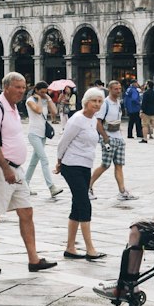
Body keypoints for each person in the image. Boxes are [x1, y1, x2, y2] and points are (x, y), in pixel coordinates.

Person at [0, 72, 57, 275]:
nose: (22, 91)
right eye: (18, 87)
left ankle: (33, 259)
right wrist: (5, 169)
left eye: (23, 87)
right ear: (6, 87)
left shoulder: (12, 107)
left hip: (15, 169)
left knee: (26, 211)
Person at [55, 87, 106, 261]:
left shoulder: (93, 120)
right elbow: (63, 142)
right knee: (85, 204)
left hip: (85, 165)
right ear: (86, 101)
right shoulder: (77, 119)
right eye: (94, 101)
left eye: (100, 101)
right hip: (71, 165)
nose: (97, 104)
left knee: (77, 206)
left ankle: (70, 248)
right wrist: (59, 161)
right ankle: (90, 249)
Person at [89, 81, 135, 204]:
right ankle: (88, 186)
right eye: (116, 89)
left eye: (120, 88)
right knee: (105, 165)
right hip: (108, 137)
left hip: (118, 137)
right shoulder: (105, 103)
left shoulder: (118, 103)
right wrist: (105, 137)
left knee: (119, 165)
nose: (119, 91)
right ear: (110, 89)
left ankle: (122, 191)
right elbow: (98, 122)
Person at [23, 82, 61, 199]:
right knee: (44, 160)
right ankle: (51, 187)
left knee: (33, 162)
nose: (44, 94)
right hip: (33, 134)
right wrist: (39, 99)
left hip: (42, 134)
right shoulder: (30, 100)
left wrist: (48, 98)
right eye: (42, 92)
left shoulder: (46, 99)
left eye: (45, 92)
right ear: (36, 90)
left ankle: (25, 185)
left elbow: (55, 112)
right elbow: (38, 111)